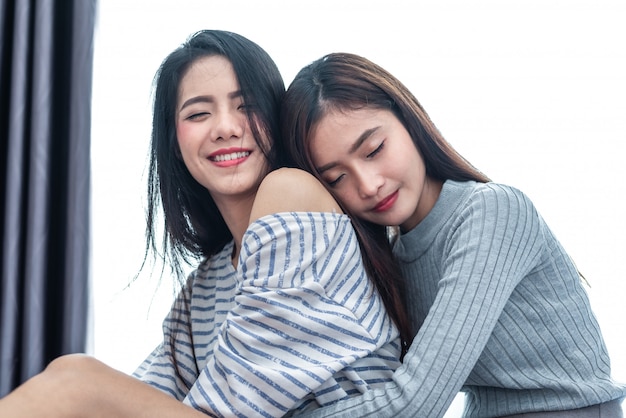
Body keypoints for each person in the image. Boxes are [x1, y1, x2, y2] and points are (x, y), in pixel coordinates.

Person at [0, 31, 411, 417]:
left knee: (76, 381)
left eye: (246, 107)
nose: (226, 129)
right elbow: (142, 396)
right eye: (198, 113)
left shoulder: (295, 195)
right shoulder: (205, 287)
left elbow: (231, 406)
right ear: (175, 143)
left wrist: (81, 390)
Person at [280, 52, 626, 417]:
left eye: (374, 150)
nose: (369, 185)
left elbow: (414, 402)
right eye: (337, 178)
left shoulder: (492, 211)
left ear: (409, 120)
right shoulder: (391, 259)